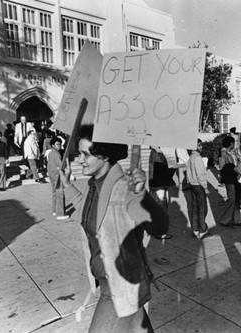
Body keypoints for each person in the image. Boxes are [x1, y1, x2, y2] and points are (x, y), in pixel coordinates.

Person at [59, 124, 168, 332]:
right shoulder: (95, 184)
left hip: (121, 289)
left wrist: (142, 197)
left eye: (85, 154)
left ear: (105, 156)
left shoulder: (124, 189)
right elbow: (91, 214)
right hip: (112, 285)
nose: (79, 160)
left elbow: (160, 227)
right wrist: (67, 186)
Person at [148, 146, 176, 240]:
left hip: (158, 184)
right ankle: (160, 232)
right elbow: (160, 169)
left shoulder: (155, 152)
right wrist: (172, 168)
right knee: (161, 207)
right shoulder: (156, 153)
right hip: (159, 184)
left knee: (160, 207)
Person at [186, 139, 210, 240]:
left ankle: (195, 229)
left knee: (195, 208)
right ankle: (202, 230)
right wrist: (205, 186)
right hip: (199, 186)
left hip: (192, 185)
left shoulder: (190, 157)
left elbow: (188, 173)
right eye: (199, 146)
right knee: (202, 209)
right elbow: (200, 174)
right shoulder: (198, 158)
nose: (201, 147)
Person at [219, 136, 241, 227]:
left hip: (235, 177)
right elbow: (222, 166)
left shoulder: (233, 152)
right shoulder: (224, 153)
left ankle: (237, 219)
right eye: (234, 142)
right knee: (232, 199)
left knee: (237, 198)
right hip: (229, 178)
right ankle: (224, 219)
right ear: (231, 144)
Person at [47, 137, 68, 220]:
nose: (59, 146)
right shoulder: (56, 154)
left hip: (52, 173)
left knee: (55, 192)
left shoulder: (51, 153)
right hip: (57, 174)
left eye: (60, 144)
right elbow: (62, 164)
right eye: (58, 144)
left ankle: (55, 210)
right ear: (53, 145)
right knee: (59, 192)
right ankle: (60, 213)